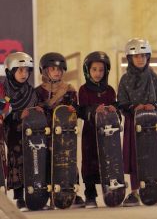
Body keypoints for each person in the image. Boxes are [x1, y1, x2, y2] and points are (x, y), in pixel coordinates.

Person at [118, 38, 157, 207]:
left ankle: (154, 191)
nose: (140, 59)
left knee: (152, 158)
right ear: (130, 59)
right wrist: (135, 107)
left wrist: (152, 106)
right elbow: (121, 103)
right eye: (136, 56)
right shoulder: (125, 80)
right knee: (135, 158)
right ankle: (134, 192)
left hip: (152, 126)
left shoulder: (153, 77)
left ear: (148, 58)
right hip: (133, 125)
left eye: (143, 56)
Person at [35, 52, 85, 208]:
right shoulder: (38, 92)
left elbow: (76, 111)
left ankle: (71, 194)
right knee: (46, 163)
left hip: (65, 136)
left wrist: (73, 109)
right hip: (45, 136)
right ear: (45, 71)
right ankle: (48, 194)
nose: (57, 72)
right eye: (52, 68)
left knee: (68, 162)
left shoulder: (69, 90)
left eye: (59, 69)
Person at [78, 51, 117, 208]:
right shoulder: (83, 90)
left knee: (108, 161)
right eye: (94, 69)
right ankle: (90, 195)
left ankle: (110, 192)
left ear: (106, 71)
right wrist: (95, 110)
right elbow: (82, 110)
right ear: (88, 70)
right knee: (89, 162)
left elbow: (115, 107)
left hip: (108, 134)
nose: (98, 73)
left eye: (101, 70)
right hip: (90, 134)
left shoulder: (110, 90)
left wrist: (114, 110)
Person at [3, 52, 39, 211]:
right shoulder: (3, 90)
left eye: (27, 70)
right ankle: (19, 197)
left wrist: (39, 109)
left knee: (33, 160)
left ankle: (33, 195)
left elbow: (36, 105)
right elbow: (2, 112)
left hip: (30, 132)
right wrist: (18, 114)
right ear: (10, 72)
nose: (24, 74)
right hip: (13, 134)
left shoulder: (31, 91)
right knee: (17, 162)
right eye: (20, 70)